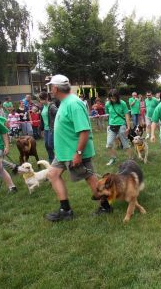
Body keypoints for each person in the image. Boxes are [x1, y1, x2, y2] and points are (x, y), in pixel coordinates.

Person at [44, 74, 110, 222]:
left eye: (50, 87)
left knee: (89, 177)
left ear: (55, 88)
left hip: (74, 152)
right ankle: (65, 210)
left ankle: (105, 206)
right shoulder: (64, 102)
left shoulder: (74, 103)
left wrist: (78, 153)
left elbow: (84, 131)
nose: (49, 90)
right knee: (53, 174)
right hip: (63, 152)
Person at [105, 89, 132, 166]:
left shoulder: (122, 103)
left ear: (117, 97)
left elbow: (127, 115)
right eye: (111, 98)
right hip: (112, 126)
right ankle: (113, 158)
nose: (113, 99)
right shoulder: (107, 104)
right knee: (109, 144)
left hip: (121, 125)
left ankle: (130, 160)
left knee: (125, 144)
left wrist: (128, 127)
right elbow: (108, 114)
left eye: (114, 97)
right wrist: (109, 124)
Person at [39, 91, 57, 163]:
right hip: (46, 129)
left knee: (51, 144)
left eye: (41, 99)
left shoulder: (52, 106)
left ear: (46, 98)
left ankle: (60, 157)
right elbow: (42, 119)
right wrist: (42, 129)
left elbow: (58, 114)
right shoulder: (43, 107)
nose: (40, 101)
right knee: (47, 145)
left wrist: (56, 125)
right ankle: (51, 159)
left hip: (52, 128)